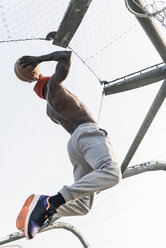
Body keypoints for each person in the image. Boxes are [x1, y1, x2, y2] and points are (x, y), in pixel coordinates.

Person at [16, 50, 121, 240]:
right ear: (49, 81)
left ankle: (43, 213)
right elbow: (66, 56)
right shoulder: (55, 86)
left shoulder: (49, 110)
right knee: (112, 173)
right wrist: (39, 59)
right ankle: (49, 202)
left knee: (83, 206)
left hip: (74, 144)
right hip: (87, 133)